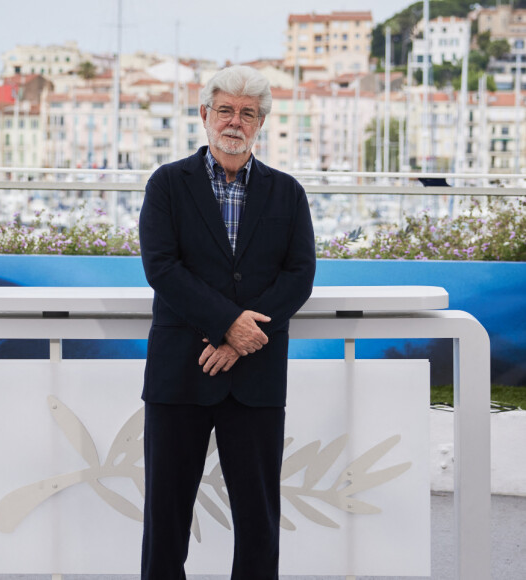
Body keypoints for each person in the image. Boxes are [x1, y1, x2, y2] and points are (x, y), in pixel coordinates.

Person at [139, 65, 316, 579]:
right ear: (204, 115)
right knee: (166, 520)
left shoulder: (288, 193)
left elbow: (298, 275)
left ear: (261, 123)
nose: (235, 121)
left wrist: (239, 340)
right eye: (225, 110)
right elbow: (162, 268)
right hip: (180, 371)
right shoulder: (168, 184)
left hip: (255, 378)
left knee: (259, 522)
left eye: (247, 113)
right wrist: (226, 325)